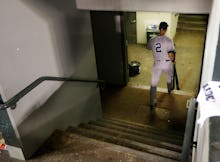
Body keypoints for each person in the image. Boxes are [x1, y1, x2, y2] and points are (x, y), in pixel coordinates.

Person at [147, 21, 175, 110]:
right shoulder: (169, 40)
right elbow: (171, 54)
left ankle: (152, 102)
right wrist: (173, 61)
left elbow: (148, 47)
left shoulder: (153, 39)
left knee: (153, 83)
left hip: (157, 63)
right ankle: (169, 90)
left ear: (159, 29)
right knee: (169, 78)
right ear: (165, 29)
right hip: (167, 63)